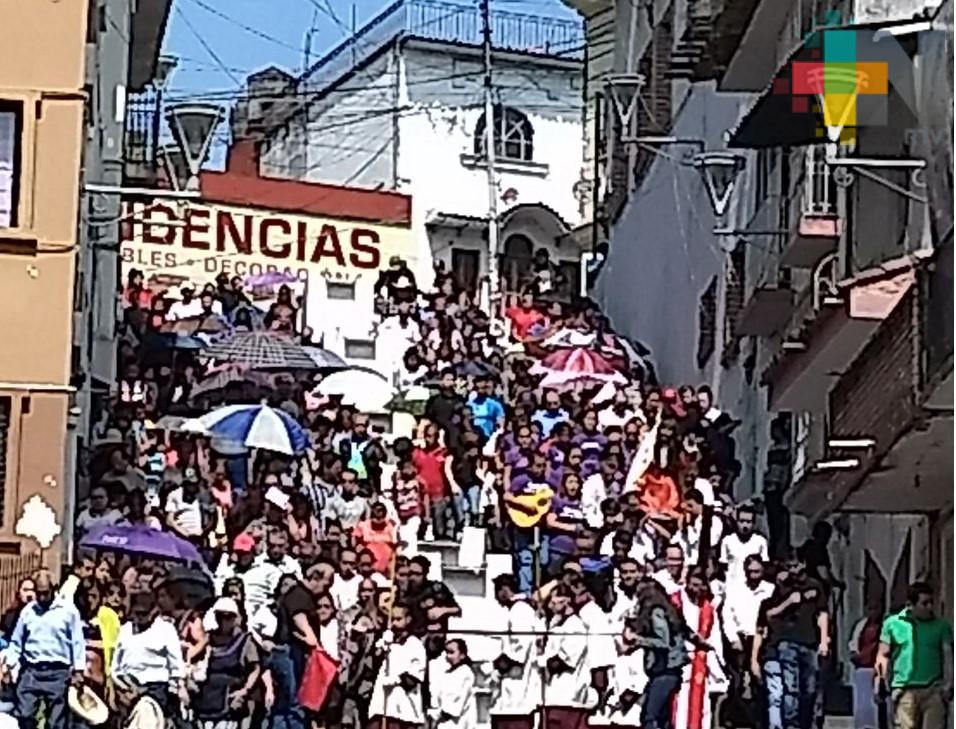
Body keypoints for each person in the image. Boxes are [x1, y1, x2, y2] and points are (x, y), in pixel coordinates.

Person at [753, 550, 829, 729]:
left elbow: (822, 613)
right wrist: (788, 602)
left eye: (795, 566)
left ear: (803, 564)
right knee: (790, 688)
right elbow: (768, 614)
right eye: (789, 567)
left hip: (809, 642)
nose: (793, 570)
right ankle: (791, 724)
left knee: (809, 689)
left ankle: (806, 722)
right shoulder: (781, 588)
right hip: (787, 642)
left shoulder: (814, 586)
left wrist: (824, 639)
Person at [1, 571, 86, 729]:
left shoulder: (68, 611)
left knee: (56, 722)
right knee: (24, 714)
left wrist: (79, 670)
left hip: (58, 672)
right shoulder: (28, 612)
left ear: (53, 589)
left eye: (45, 593)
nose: (41, 598)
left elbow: (77, 642)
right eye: (38, 593)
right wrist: (8, 665)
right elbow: (17, 642)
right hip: (31, 671)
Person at [875, 581, 953, 729]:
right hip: (904, 690)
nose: (929, 607)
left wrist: (948, 684)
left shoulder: (941, 626)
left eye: (931, 602)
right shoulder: (892, 624)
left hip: (933, 690)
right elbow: (883, 655)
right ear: (910, 605)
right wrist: (879, 681)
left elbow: (948, 655)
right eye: (924, 603)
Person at [110, 589, 187, 721]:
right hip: (128, 686)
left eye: (144, 614)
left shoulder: (165, 629)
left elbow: (176, 662)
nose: (139, 617)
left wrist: (179, 687)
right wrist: (121, 687)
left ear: (154, 611)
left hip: (156, 688)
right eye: (137, 613)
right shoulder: (125, 630)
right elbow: (115, 666)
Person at [720, 555, 773, 727]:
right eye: (750, 572)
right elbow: (727, 615)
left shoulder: (770, 589)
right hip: (740, 639)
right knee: (737, 681)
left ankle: (759, 720)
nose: (753, 576)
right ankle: (733, 717)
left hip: (761, 639)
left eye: (757, 571)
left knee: (760, 680)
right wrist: (733, 638)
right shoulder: (735, 589)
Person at [193, 596, 261, 729]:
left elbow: (255, 668)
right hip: (206, 700)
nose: (223, 620)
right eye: (220, 616)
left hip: (230, 702)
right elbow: (191, 656)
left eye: (228, 617)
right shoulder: (209, 638)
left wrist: (245, 690)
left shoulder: (245, 641)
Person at [630, 580, 689, 729]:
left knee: (650, 715)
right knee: (663, 717)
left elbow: (664, 641)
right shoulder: (666, 610)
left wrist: (639, 640)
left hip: (665, 670)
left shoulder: (656, 611)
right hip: (665, 671)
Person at [671, 567, 725, 729]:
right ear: (686, 581)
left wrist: (717, 667)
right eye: (693, 585)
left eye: (700, 586)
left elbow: (715, 639)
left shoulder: (708, 608)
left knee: (700, 708)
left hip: (700, 663)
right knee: (679, 707)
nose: (696, 590)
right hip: (678, 660)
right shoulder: (675, 601)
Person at [489, 574, 541, 729]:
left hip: (518, 691)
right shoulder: (515, 611)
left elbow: (520, 649)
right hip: (507, 692)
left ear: (504, 590)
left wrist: (497, 668)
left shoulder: (521, 611)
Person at [368, 602, 426, 729]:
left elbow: (414, 678)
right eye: (392, 619)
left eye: (398, 619)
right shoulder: (387, 642)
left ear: (408, 619)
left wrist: (395, 680)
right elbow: (373, 664)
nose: (394, 623)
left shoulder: (415, 645)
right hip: (382, 705)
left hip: (403, 709)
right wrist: (382, 646)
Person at [539, 584, 589, 729]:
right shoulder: (555, 625)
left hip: (568, 696)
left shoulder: (575, 626)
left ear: (566, 601)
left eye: (554, 602)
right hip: (552, 696)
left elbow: (563, 661)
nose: (551, 606)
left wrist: (539, 662)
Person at [847, 603, 884, 729]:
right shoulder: (862, 625)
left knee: (875, 701)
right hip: (862, 667)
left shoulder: (884, 626)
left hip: (877, 668)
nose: (873, 612)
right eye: (870, 608)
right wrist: (854, 653)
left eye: (875, 608)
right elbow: (853, 641)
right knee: (862, 701)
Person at [428, 639, 477, 729]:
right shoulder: (447, 673)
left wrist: (435, 716)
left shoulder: (465, 673)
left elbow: (454, 705)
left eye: (451, 652)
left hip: (457, 724)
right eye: (446, 652)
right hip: (444, 723)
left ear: (462, 655)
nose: (448, 656)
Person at [719, 504, 769, 586]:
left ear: (754, 523)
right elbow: (723, 566)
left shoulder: (760, 541)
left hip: (753, 587)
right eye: (742, 521)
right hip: (732, 585)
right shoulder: (727, 541)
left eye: (748, 522)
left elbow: (764, 566)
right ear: (736, 521)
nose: (745, 525)